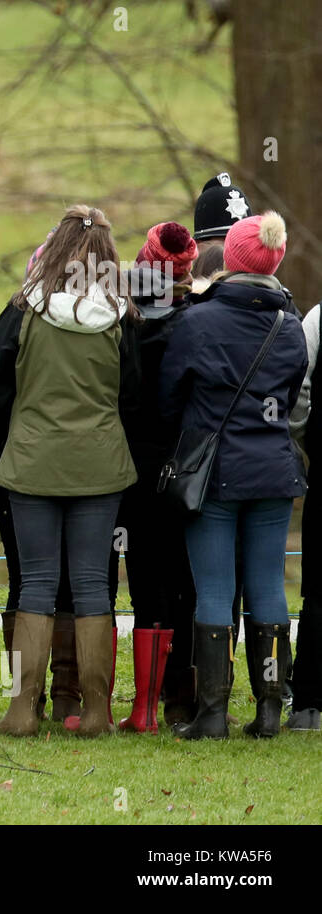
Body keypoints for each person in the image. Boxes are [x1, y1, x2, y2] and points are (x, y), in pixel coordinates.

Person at [0, 204, 139, 738]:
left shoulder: (22, 310)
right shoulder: (122, 317)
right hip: (100, 464)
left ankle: (22, 711)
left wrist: (16, 440)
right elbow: (133, 396)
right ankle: (95, 713)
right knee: (95, 585)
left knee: (36, 583)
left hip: (32, 462)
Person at [160, 211, 306, 740]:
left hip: (215, 471)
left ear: (231, 261)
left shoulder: (197, 321)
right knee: (269, 585)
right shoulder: (289, 325)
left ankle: (212, 713)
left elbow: (170, 396)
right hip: (273, 470)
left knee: (214, 588)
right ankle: (269, 709)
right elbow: (289, 401)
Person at [117, 223, 200, 732]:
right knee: (186, 583)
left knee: (145, 583)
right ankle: (181, 699)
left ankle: (144, 707)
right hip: (186, 466)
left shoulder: (121, 325)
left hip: (130, 467)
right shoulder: (197, 326)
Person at [289, 293, 322, 731]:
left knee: (318, 588)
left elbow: (299, 384)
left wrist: (303, 434)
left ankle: (310, 701)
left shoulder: (317, 318)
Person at [193, 172, 253, 254]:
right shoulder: (171, 265)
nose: (238, 253)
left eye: (244, 241)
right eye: (225, 242)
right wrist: (169, 261)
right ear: (198, 244)